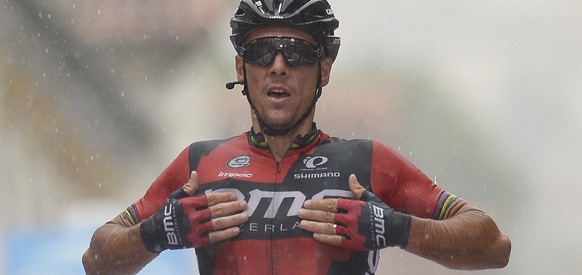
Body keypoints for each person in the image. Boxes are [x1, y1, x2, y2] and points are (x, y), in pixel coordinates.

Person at [82, 0, 511, 274]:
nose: (278, 66)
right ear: (240, 70)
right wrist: (158, 232)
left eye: (298, 52)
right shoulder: (199, 163)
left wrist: (396, 228)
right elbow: (95, 260)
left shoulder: (368, 162)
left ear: (324, 70)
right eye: (263, 52)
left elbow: (492, 244)